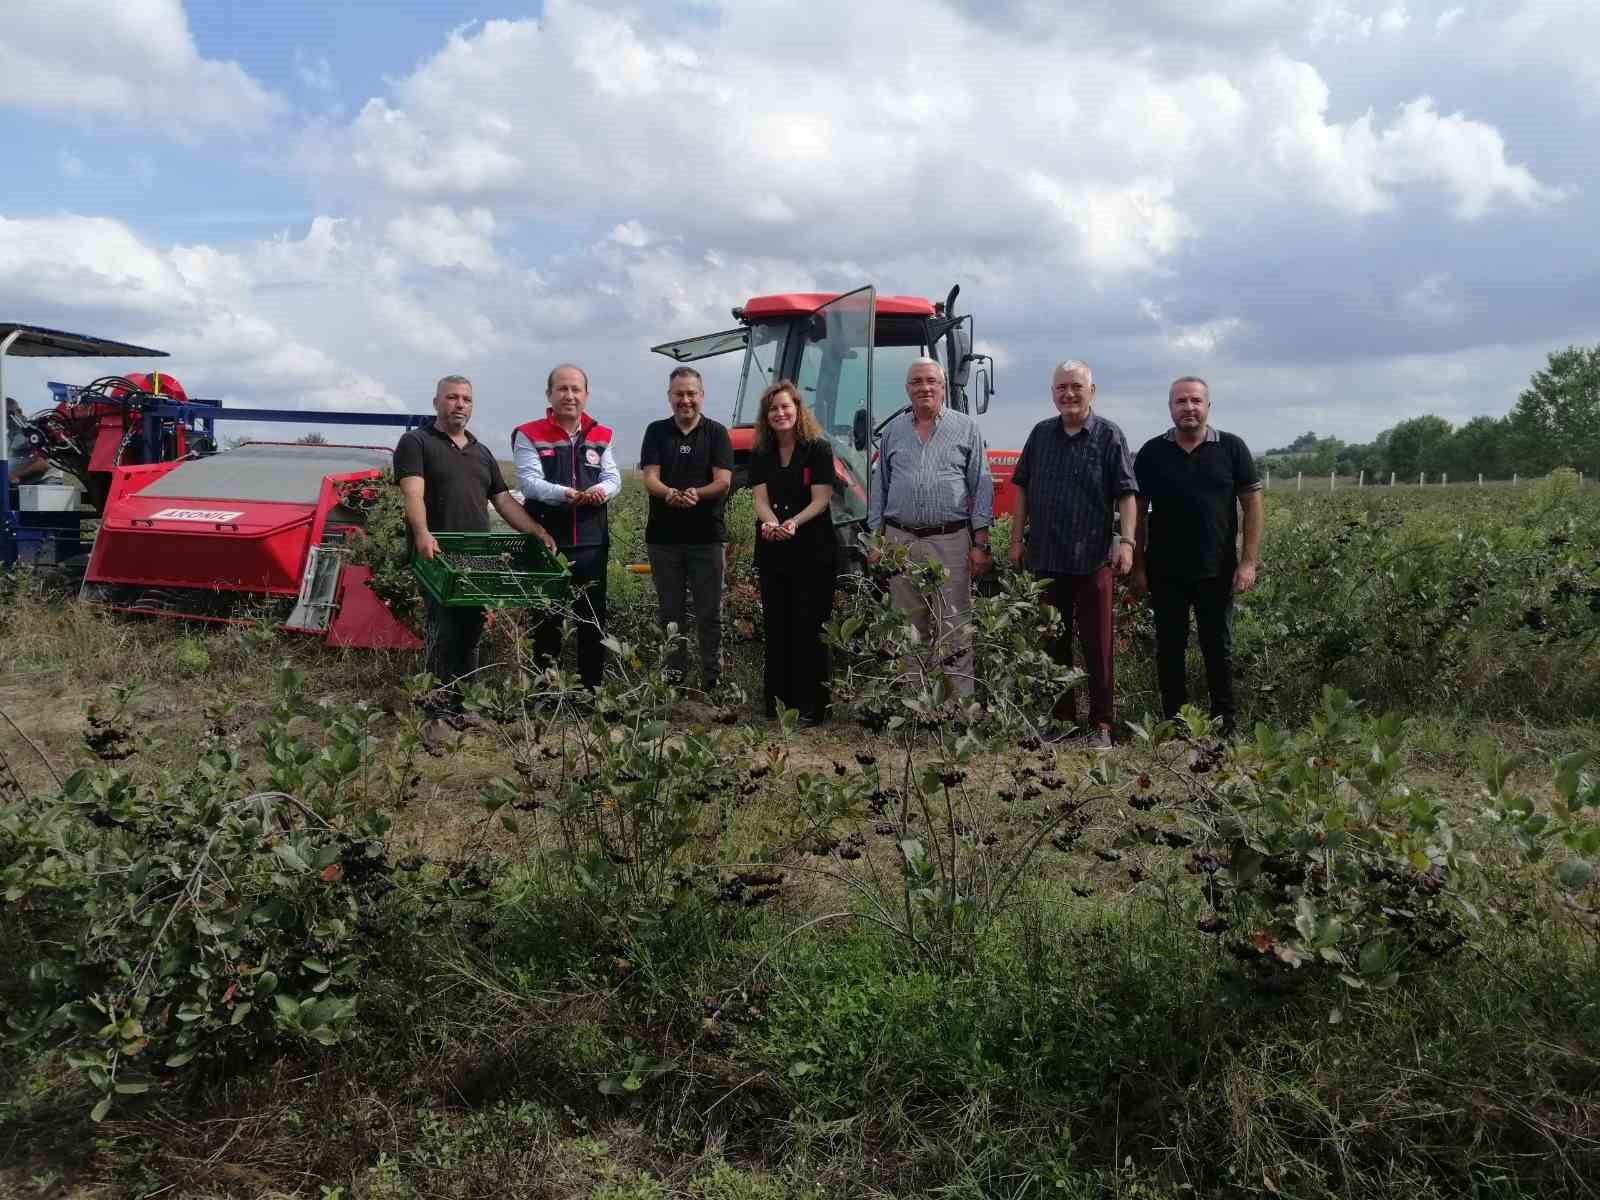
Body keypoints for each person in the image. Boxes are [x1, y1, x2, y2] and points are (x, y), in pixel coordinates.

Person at [394, 375, 556, 739]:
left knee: (471, 632)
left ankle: (465, 709)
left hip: (476, 559)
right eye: (452, 398)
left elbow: (503, 501)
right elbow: (414, 495)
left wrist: (537, 532)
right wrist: (422, 533)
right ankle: (436, 715)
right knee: (443, 630)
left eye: (466, 399)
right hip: (436, 556)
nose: (460, 404)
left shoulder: (481, 453)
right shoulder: (416, 442)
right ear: (436, 401)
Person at [1008, 361, 1138, 749]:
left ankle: (1101, 726)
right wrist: (1016, 540)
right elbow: (1022, 491)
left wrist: (1127, 542)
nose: (1068, 394)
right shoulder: (1041, 434)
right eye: (1061, 387)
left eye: (1076, 387)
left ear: (1091, 391)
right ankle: (1062, 722)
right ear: (1053, 393)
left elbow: (1127, 494)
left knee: (1098, 647)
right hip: (1046, 558)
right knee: (1054, 643)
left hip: (1094, 559)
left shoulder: (1109, 435)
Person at [1131, 376, 1264, 734]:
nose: (1188, 408)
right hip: (1165, 571)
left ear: (1208, 406)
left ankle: (1225, 725)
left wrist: (1248, 562)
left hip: (1216, 570)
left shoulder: (1232, 449)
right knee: (1169, 651)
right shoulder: (1151, 453)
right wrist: (1138, 567)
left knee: (1217, 648)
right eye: (1180, 402)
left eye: (1195, 401)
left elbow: (1252, 506)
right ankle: (1176, 724)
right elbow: (1137, 514)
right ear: (1170, 407)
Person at [866, 357, 993, 696]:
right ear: (908, 389)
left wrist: (980, 543)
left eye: (931, 381)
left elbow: (981, 485)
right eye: (917, 382)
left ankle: (958, 708)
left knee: (954, 626)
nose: (924, 387)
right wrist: (876, 539)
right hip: (901, 539)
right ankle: (916, 706)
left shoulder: (967, 428)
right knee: (908, 627)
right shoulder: (893, 432)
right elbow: (880, 487)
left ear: (942, 386)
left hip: (950, 539)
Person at [513, 364, 621, 689]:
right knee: (547, 620)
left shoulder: (602, 434)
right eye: (562, 388)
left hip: (591, 543)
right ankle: (546, 693)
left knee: (592, 619)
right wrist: (565, 494)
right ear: (549, 395)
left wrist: (601, 492)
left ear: (586, 395)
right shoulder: (528, 433)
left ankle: (592, 691)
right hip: (547, 541)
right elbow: (529, 483)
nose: (569, 395)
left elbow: (613, 478)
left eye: (576, 389)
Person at [749, 380, 838, 722]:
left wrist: (793, 523)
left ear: (798, 410)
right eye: (773, 409)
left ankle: (813, 707)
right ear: (766, 416)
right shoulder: (760, 453)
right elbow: (760, 499)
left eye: (786, 407)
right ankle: (778, 706)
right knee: (778, 625)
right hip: (774, 551)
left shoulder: (818, 449)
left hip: (813, 549)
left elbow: (822, 499)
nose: (780, 413)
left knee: (810, 626)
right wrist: (771, 524)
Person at [639, 366, 734, 688]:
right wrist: (669, 494)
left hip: (707, 538)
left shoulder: (717, 433)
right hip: (663, 540)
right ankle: (673, 682)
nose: (685, 400)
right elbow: (650, 477)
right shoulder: (656, 431)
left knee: (711, 614)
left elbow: (723, 481)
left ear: (701, 396)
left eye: (691, 393)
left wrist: (696, 494)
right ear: (670, 397)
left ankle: (713, 682)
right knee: (670, 616)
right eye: (679, 394)